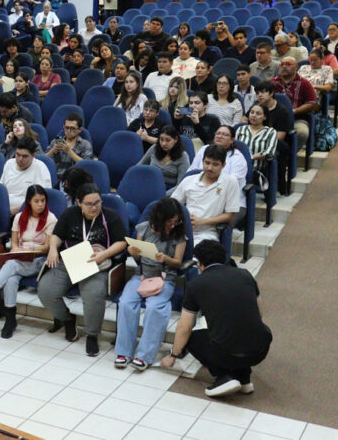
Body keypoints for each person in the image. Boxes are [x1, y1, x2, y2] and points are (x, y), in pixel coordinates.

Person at [160, 240, 272, 398]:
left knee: (192, 337)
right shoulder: (245, 274)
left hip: (229, 351)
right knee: (239, 331)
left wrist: (173, 355)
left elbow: (184, 328)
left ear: (199, 263)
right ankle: (244, 378)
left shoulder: (196, 285)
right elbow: (259, 314)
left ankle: (223, 377)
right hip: (261, 348)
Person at [37, 183, 127, 357]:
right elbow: (57, 235)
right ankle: (67, 319)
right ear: (79, 203)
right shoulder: (70, 214)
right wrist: (53, 249)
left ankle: (92, 335)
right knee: (46, 290)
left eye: (97, 203)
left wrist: (104, 254)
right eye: (89, 204)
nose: (94, 207)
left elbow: (122, 242)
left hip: (96, 263)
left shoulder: (111, 216)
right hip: (70, 260)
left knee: (94, 295)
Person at [0, 185, 57, 338]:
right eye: (36, 201)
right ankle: (10, 320)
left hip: (38, 260)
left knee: (11, 265)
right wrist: (16, 249)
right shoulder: (20, 217)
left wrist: (30, 248)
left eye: (43, 201)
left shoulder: (51, 219)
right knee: (10, 279)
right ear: (29, 202)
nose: (40, 204)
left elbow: (46, 248)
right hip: (20, 259)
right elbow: (15, 243)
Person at [115, 197, 187, 370]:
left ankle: (145, 355)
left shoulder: (179, 236)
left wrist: (166, 258)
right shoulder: (143, 229)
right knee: (125, 303)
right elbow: (139, 261)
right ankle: (124, 351)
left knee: (155, 308)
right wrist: (134, 253)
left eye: (175, 222)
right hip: (142, 275)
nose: (172, 225)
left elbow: (178, 263)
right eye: (169, 222)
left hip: (164, 277)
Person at [171, 145, 240, 245]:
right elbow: (172, 204)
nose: (209, 168)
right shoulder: (189, 180)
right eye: (207, 163)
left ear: (223, 165)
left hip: (207, 233)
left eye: (215, 165)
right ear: (202, 161)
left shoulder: (230, 182)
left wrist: (201, 221)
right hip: (181, 229)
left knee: (199, 257)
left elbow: (229, 216)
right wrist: (182, 216)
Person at [0, 137, 53, 214]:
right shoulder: (9, 163)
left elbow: (41, 199)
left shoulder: (41, 168)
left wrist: (14, 210)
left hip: (27, 212)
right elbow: (1, 190)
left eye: (25, 156)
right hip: (5, 209)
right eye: (17, 155)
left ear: (33, 155)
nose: (20, 159)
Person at [272, 57, 319, 142]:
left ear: (296, 67)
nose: (284, 66)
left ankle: (289, 154)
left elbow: (311, 104)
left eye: (288, 64)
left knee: (302, 132)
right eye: (282, 64)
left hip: (296, 119)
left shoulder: (304, 83)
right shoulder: (272, 82)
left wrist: (293, 111)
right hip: (273, 119)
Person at [138, 126, 190, 190]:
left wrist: (163, 196)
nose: (163, 143)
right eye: (161, 139)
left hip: (169, 191)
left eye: (168, 140)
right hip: (150, 185)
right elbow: (139, 166)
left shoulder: (183, 156)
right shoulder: (154, 148)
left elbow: (180, 185)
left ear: (176, 139)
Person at [47, 113, 93, 183]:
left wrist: (69, 151)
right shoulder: (55, 142)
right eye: (66, 128)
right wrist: (53, 150)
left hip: (75, 180)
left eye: (72, 128)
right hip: (55, 178)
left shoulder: (85, 144)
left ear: (80, 130)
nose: (68, 131)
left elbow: (86, 165)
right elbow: (44, 160)